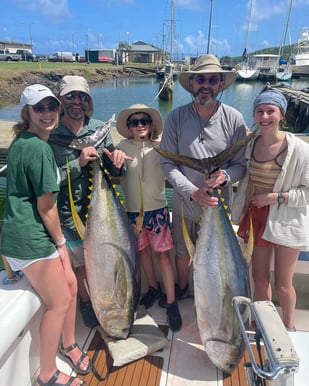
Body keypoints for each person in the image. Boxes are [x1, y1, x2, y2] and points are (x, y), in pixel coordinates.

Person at [0, 84, 91, 386]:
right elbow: (47, 205)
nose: (48, 113)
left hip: (19, 232)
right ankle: (48, 373)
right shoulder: (39, 148)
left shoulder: (21, 141)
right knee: (58, 302)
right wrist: (62, 245)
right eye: (39, 108)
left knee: (71, 285)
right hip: (31, 239)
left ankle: (70, 342)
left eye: (52, 107)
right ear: (26, 112)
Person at [159, 54, 248, 303]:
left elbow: (240, 165)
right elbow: (167, 162)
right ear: (192, 84)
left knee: (215, 257)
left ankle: (208, 297)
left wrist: (225, 175)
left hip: (219, 206)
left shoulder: (234, 119)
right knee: (182, 252)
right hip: (186, 203)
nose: (205, 84)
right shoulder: (176, 117)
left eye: (212, 79)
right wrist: (192, 191)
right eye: (200, 79)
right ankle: (184, 291)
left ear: (221, 84)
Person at [48, 75, 130, 328]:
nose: (76, 101)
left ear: (88, 101)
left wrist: (116, 162)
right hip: (67, 213)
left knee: (104, 259)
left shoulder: (98, 129)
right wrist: (78, 163)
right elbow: (47, 179)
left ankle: (104, 298)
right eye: (71, 96)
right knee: (80, 264)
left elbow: (112, 171)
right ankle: (86, 301)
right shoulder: (49, 134)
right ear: (60, 100)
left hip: (102, 211)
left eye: (82, 96)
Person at [232, 89, 309, 330]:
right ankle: (263, 324)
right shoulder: (250, 144)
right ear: (254, 115)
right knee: (259, 277)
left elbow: (306, 193)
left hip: (286, 220)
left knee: (284, 284)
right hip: (256, 218)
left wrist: (276, 198)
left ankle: (288, 326)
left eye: (270, 111)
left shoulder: (300, 149)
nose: (265, 116)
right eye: (259, 111)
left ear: (282, 115)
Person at [116, 104, 182, 331]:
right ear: (128, 127)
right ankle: (152, 287)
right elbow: (113, 171)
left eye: (144, 121)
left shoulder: (162, 146)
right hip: (133, 213)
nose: (140, 125)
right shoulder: (121, 147)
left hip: (158, 211)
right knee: (143, 252)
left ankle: (172, 302)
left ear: (151, 124)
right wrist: (113, 161)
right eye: (134, 122)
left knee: (163, 256)